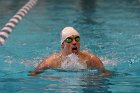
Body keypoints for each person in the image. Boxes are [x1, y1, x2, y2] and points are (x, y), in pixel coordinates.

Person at [29, 27, 111, 76]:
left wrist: (93, 79)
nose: (74, 42)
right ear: (62, 45)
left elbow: (106, 73)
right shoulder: (52, 61)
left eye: (77, 39)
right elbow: (33, 74)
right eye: (69, 39)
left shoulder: (90, 59)